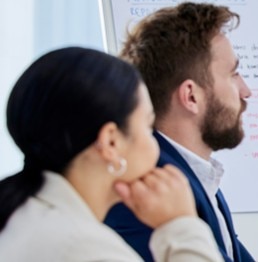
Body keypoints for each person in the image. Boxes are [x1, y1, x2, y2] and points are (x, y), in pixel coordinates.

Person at [0, 47, 222, 261]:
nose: (154, 144)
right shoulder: (85, 249)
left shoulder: (21, 215)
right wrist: (181, 225)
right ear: (111, 142)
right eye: (148, 126)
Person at [104, 2, 255, 262]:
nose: (246, 91)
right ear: (191, 96)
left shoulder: (196, 175)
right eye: (233, 74)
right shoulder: (148, 193)